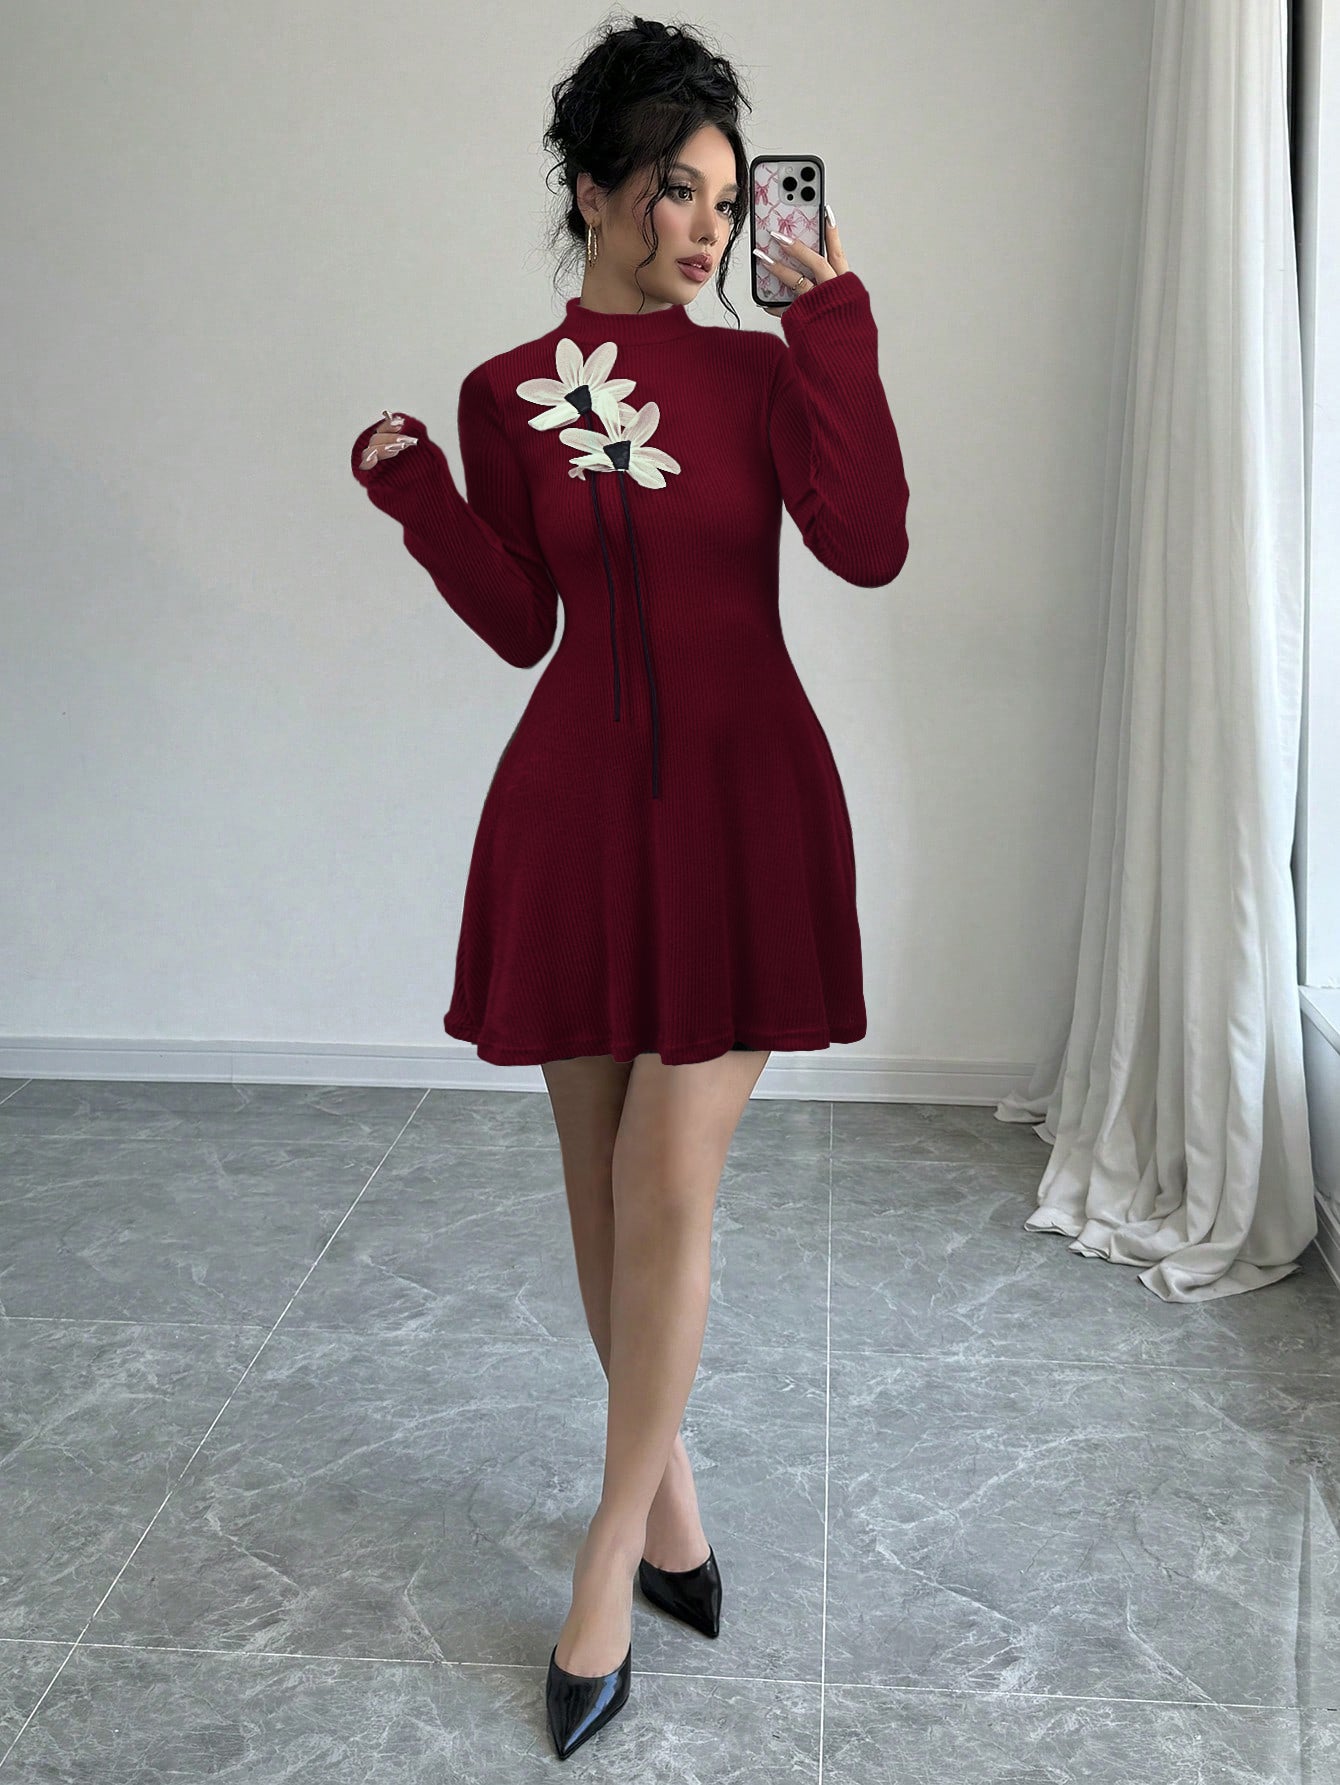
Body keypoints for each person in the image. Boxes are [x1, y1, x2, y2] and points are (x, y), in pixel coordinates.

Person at [350, 12, 909, 1761]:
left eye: (727, 201)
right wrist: (423, 499)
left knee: (670, 1179)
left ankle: (606, 1551)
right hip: (577, 815)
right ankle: (669, 1502)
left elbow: (870, 544)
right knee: (601, 1194)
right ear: (591, 191)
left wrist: (833, 320)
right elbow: (524, 620)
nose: (708, 229)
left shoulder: (769, 370)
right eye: (675, 189)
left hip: (746, 810)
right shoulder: (504, 391)